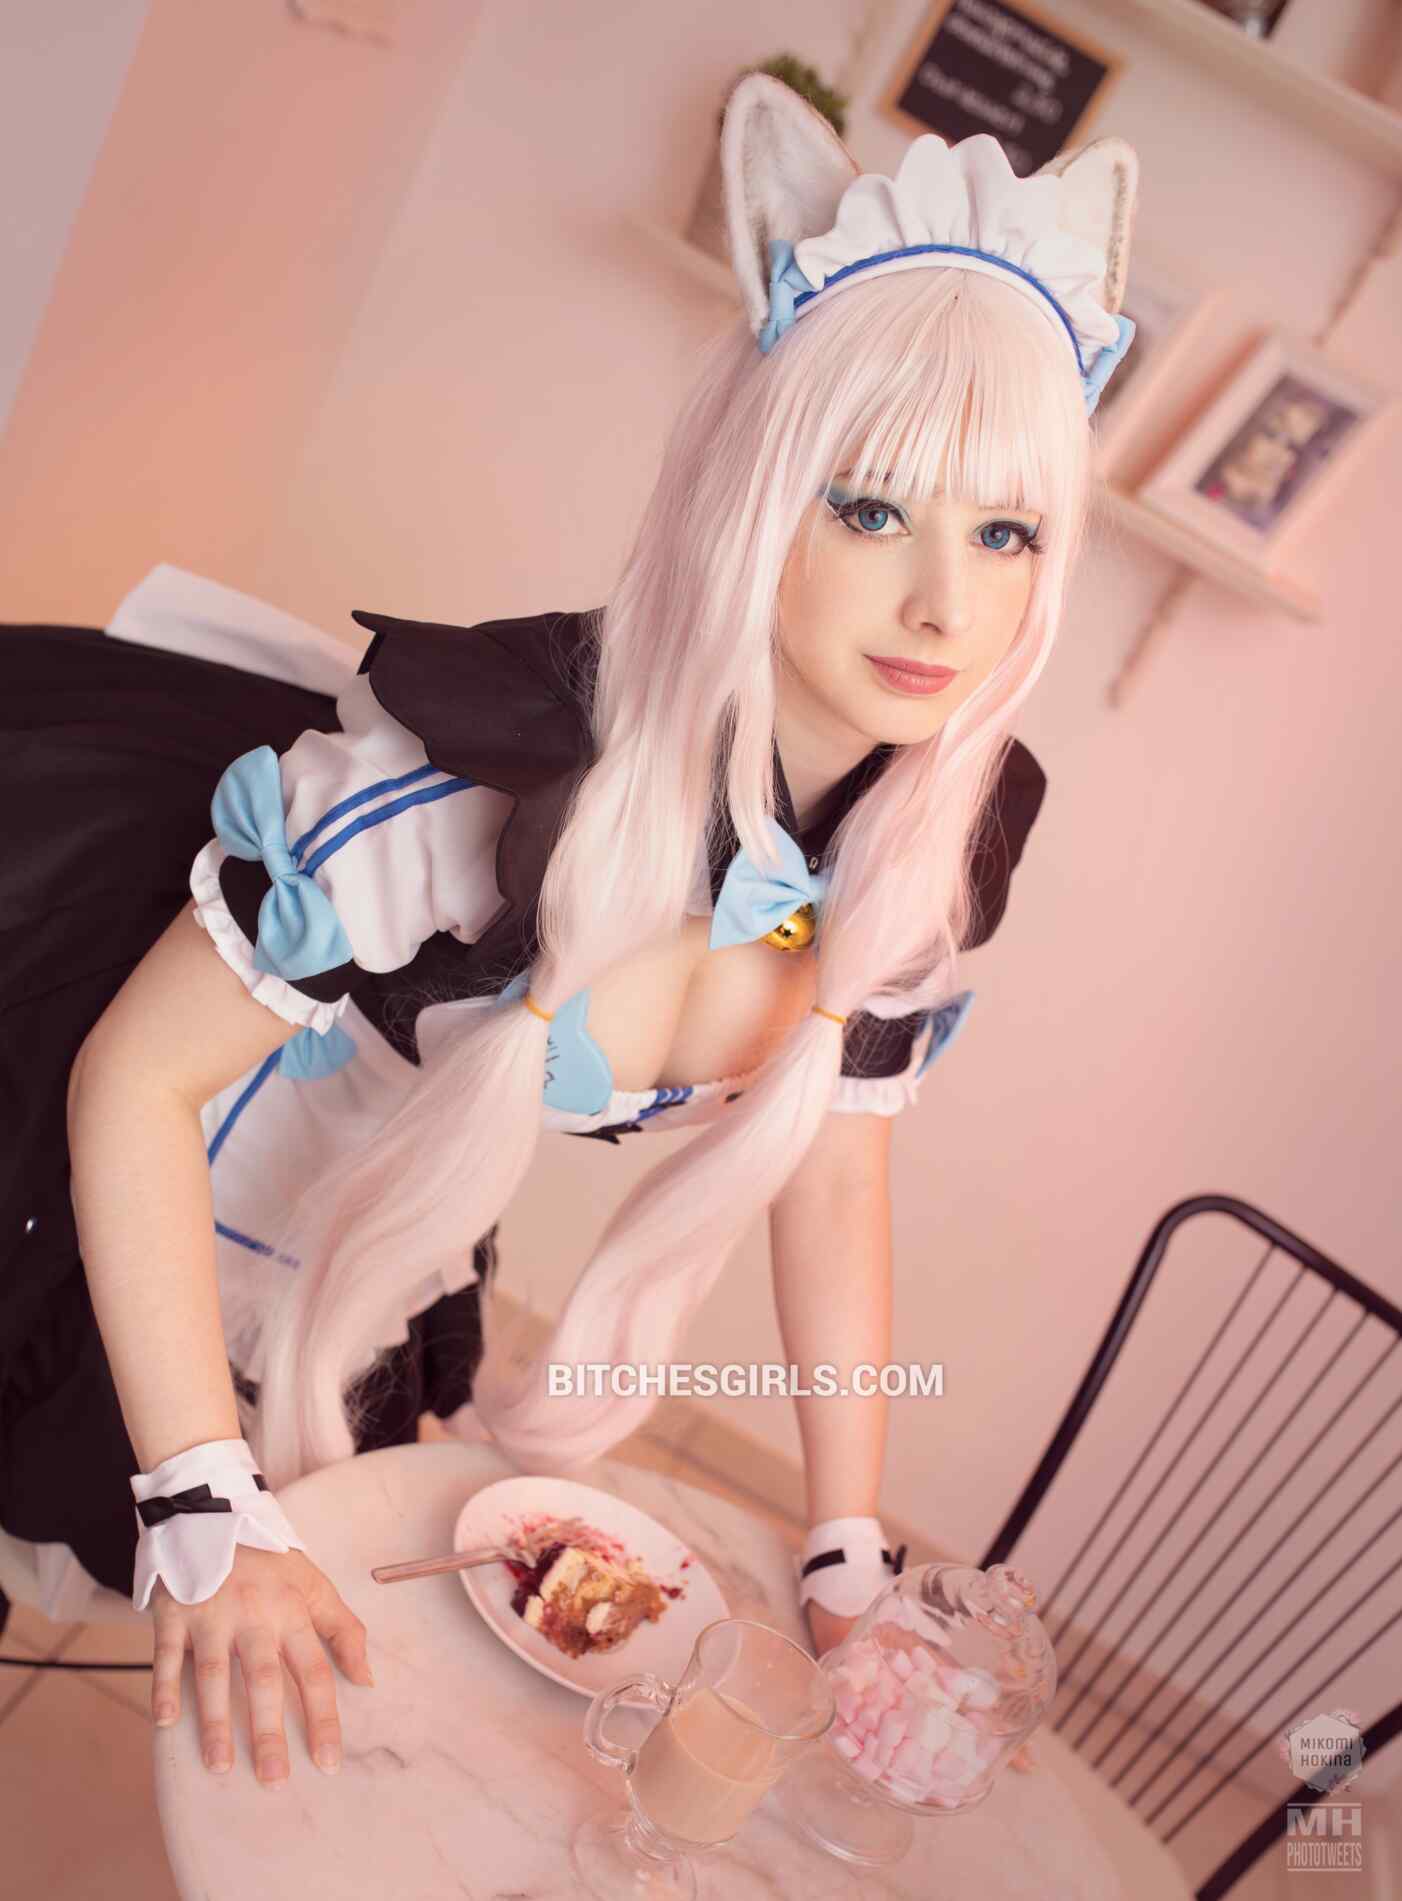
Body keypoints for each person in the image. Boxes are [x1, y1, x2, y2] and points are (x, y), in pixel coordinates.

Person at [0, 73, 1138, 1789]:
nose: (943, 603)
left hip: (374, 1230)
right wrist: (203, 1495)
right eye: (869, 505)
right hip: (128, 1189)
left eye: (1003, 532)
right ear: (757, 490)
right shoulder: (467, 777)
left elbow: (833, 1172)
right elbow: (136, 1083)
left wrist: (844, 1554)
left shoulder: (919, 854)